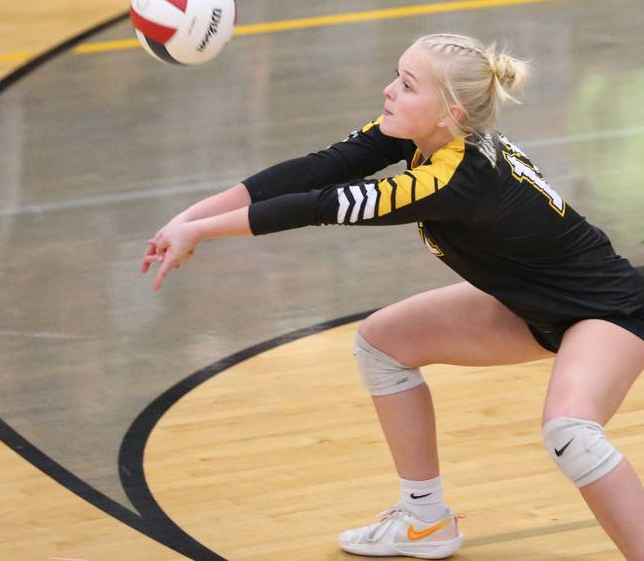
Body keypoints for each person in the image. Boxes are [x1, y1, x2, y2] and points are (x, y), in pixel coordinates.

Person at [140, 33, 644, 559]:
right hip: (534, 307)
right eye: (396, 76)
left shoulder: (456, 178)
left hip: (611, 312)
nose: (389, 91)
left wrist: (203, 232)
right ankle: (424, 520)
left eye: (407, 85)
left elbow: (321, 204)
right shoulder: (424, 138)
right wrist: (189, 218)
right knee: (383, 344)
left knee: (571, 433)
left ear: (448, 113)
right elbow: (315, 169)